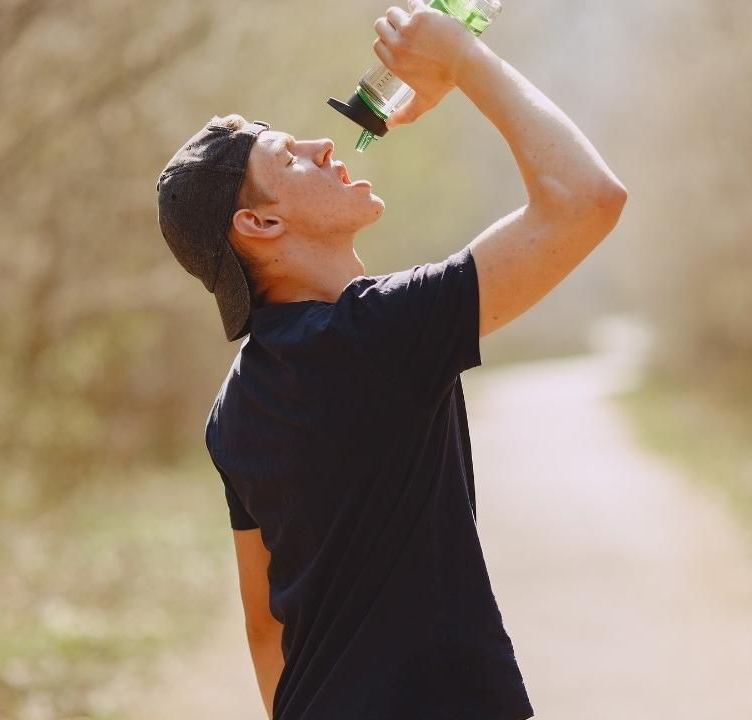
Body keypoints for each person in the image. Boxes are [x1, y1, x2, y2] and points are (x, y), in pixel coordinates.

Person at [154, 1, 626, 717]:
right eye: (288, 156)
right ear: (261, 223)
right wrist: (464, 63)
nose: (320, 144)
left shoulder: (234, 408)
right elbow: (587, 199)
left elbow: (264, 628)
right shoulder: (377, 336)